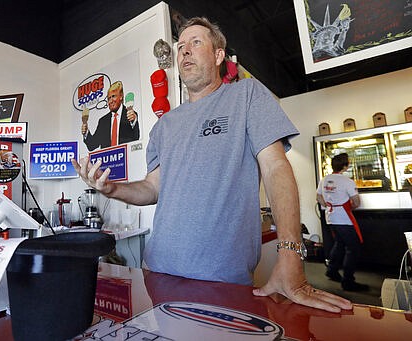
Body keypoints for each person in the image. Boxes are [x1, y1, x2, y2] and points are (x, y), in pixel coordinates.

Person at [72, 17, 352, 313]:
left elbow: (275, 168)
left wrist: (290, 255)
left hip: (223, 280)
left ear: (219, 55)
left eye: (196, 43)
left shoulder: (247, 95)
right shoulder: (164, 126)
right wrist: (113, 189)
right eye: (180, 47)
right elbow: (153, 187)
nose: (185, 52)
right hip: (157, 272)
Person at [316, 153, 368, 291]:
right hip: (344, 218)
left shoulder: (324, 179)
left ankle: (332, 270)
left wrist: (328, 206)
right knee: (353, 248)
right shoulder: (347, 181)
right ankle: (348, 281)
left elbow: (319, 197)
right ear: (345, 166)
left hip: (331, 217)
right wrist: (352, 207)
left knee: (339, 243)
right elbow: (356, 201)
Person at [82, 81, 140, 151]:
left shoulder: (130, 115)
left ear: (121, 96)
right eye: (109, 98)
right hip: (108, 161)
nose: (110, 101)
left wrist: (134, 122)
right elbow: (92, 145)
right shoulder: (103, 121)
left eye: (113, 96)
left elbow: (136, 138)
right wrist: (86, 133)